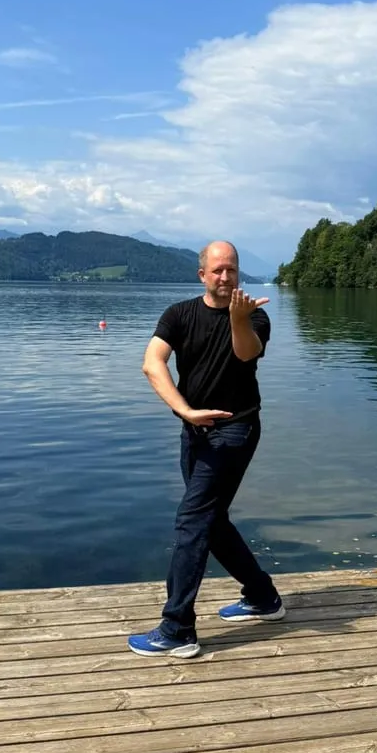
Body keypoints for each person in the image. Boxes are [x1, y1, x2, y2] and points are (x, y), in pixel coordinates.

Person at [128, 240, 284, 658]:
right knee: (211, 522)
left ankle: (177, 628)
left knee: (192, 521)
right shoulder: (179, 314)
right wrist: (185, 411)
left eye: (231, 269)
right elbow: (152, 362)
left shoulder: (255, 316)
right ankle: (263, 596)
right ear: (202, 275)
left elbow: (246, 353)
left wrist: (238, 318)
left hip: (235, 431)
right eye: (216, 270)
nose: (225, 276)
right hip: (195, 430)